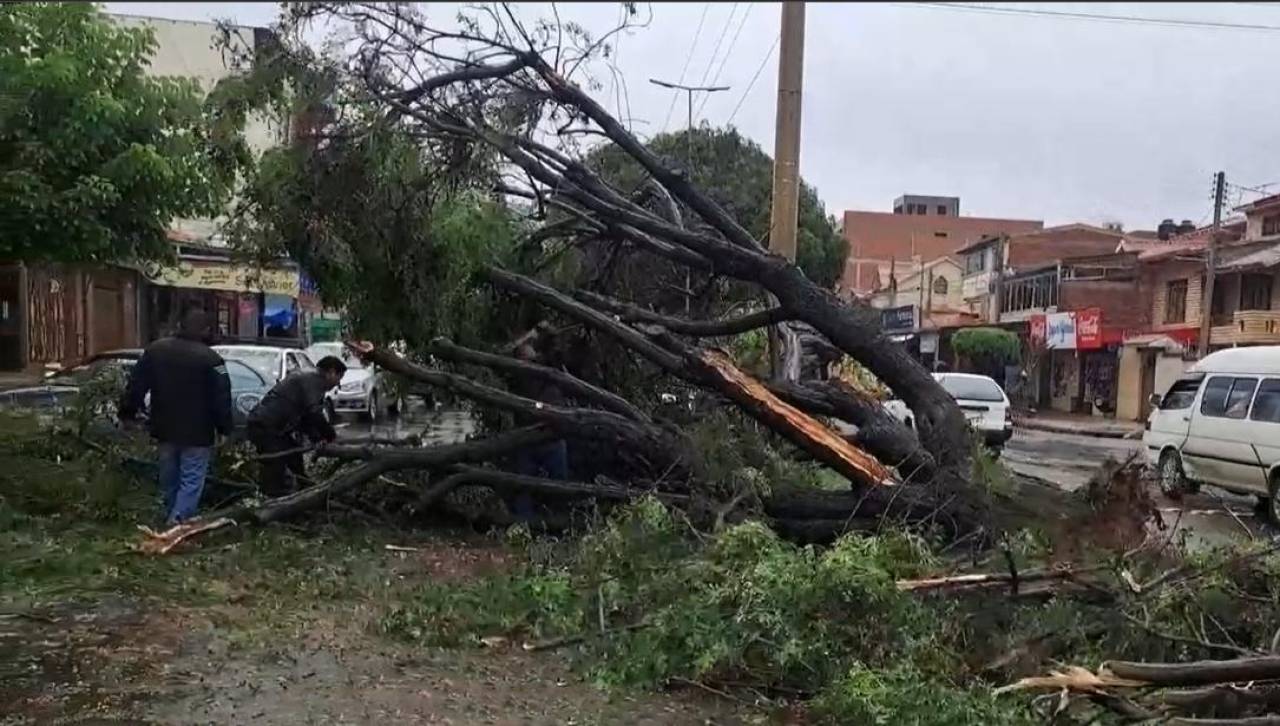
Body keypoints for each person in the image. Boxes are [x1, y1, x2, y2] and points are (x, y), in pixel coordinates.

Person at [119, 305, 233, 526]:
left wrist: (128, 414)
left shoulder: (155, 351)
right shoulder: (212, 360)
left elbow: (135, 386)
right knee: (191, 480)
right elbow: (222, 398)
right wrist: (225, 429)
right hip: (198, 433)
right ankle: (177, 523)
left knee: (169, 478)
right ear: (206, 329)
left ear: (179, 324)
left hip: (164, 427)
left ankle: (172, 517)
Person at [246, 355, 346, 496]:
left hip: (275, 427)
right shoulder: (312, 380)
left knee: (294, 455)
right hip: (265, 425)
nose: (337, 384)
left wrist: (317, 438)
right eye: (339, 378)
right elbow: (314, 414)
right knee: (275, 462)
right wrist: (330, 435)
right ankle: (272, 500)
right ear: (331, 372)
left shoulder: (311, 380)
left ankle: (304, 488)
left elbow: (305, 417)